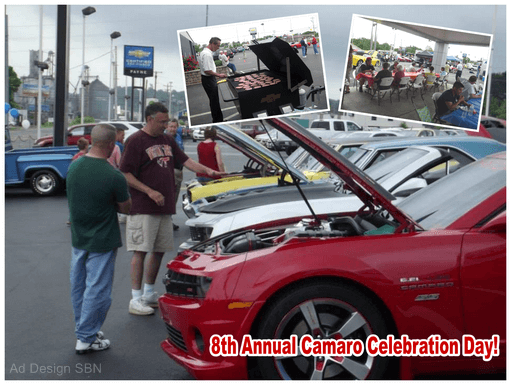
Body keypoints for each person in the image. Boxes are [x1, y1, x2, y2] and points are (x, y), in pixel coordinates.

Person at [119, 103, 224, 316]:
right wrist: (149, 191)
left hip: (164, 207)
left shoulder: (166, 140)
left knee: (158, 251)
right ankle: (135, 298)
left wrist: (208, 171)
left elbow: (186, 161)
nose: (166, 126)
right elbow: (125, 174)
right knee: (140, 250)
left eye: (167, 121)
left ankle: (149, 293)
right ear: (149, 119)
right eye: (162, 122)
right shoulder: (135, 141)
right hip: (143, 208)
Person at [67, 124, 132, 354]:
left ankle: (84, 328)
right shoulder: (113, 175)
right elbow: (125, 207)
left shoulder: (74, 167)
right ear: (112, 144)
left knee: (80, 286)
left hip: (79, 237)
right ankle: (86, 338)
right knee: (98, 290)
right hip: (102, 239)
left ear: (91, 141)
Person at [199, 37, 227, 123]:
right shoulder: (207, 54)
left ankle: (218, 119)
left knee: (214, 101)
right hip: (209, 80)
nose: (218, 47)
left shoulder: (203, 52)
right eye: (218, 45)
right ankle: (218, 121)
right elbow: (207, 70)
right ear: (212, 44)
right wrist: (219, 75)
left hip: (207, 79)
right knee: (214, 102)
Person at [166, 118, 184, 231]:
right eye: (171, 126)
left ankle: (169, 220)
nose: (173, 128)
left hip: (178, 171)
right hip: (170, 171)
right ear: (167, 127)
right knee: (169, 197)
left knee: (174, 198)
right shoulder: (164, 138)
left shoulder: (178, 136)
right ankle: (167, 222)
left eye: (174, 126)